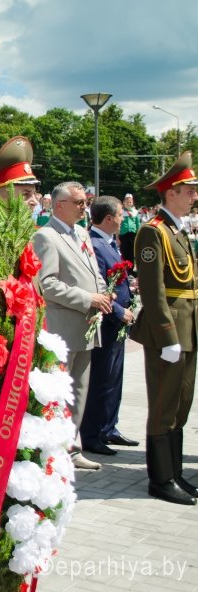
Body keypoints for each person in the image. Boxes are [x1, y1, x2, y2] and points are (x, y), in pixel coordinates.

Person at [130, 151, 198, 505]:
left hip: (189, 328)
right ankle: (160, 479)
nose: (195, 196)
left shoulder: (177, 229)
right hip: (168, 331)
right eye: (190, 190)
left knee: (181, 404)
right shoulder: (152, 231)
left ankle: (175, 472)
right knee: (163, 406)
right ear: (172, 192)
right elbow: (153, 289)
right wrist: (167, 335)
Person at [32, 180, 111, 471]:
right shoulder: (46, 236)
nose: (83, 207)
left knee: (79, 390)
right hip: (63, 327)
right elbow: (48, 284)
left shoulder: (81, 232)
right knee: (60, 391)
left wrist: (104, 293)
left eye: (85, 202)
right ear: (59, 205)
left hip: (86, 324)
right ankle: (54, 449)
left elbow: (94, 271)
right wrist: (88, 298)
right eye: (78, 202)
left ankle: (71, 447)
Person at [80, 195, 137, 457]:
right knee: (101, 380)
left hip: (118, 322)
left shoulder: (109, 242)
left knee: (114, 378)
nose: (123, 219)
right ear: (109, 218)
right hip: (107, 320)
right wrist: (119, 311)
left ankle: (108, 427)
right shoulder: (94, 244)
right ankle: (92, 434)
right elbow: (97, 285)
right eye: (120, 215)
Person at [119, 192, 141, 263]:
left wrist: (139, 234)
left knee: (132, 253)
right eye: (127, 202)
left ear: (132, 203)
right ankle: (123, 267)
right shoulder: (121, 212)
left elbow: (138, 224)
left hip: (133, 234)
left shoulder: (135, 212)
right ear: (123, 202)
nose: (128, 203)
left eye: (130, 202)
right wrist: (117, 237)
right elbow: (118, 224)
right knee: (124, 252)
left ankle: (131, 267)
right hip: (123, 234)